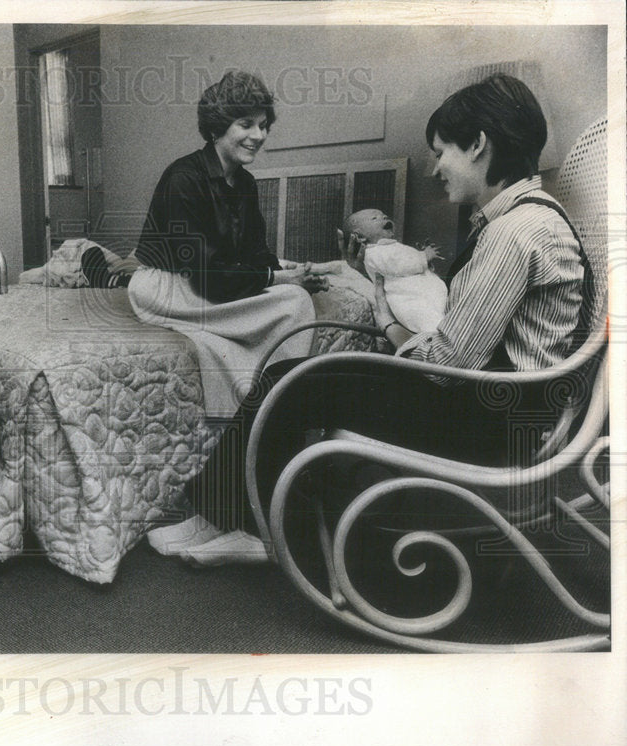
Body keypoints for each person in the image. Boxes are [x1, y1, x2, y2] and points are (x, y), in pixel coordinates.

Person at [201, 73, 590, 557]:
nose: (434, 168)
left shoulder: (516, 231)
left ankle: (233, 524)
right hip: (506, 406)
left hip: (493, 420)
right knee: (299, 378)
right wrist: (393, 330)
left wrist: (392, 333)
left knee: (290, 381)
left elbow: (449, 365)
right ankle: (235, 517)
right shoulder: (528, 217)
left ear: (479, 145)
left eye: (441, 151)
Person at [128, 70, 328, 420]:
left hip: (212, 279)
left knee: (292, 292)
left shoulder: (246, 183)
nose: (258, 135)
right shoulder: (183, 178)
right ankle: (277, 404)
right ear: (218, 126)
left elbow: (256, 254)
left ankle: (271, 401)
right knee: (294, 303)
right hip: (168, 286)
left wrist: (289, 272)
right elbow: (209, 277)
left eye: (264, 125)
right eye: (246, 124)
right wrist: (283, 282)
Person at [343, 208, 446, 334]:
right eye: (374, 218)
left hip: (421, 295)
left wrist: (422, 258)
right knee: (428, 321)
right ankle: (437, 335)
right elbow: (399, 265)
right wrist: (424, 256)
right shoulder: (374, 253)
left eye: (383, 215)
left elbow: (404, 261)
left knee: (440, 316)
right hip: (408, 300)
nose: (384, 217)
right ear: (360, 237)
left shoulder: (388, 247)